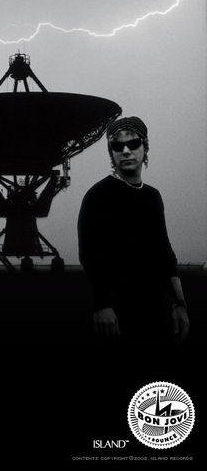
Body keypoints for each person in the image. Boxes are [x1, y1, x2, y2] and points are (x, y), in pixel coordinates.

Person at [77, 116, 189, 345]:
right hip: (114, 318)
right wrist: (102, 305)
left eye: (133, 143)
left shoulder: (153, 196)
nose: (126, 151)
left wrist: (180, 304)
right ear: (111, 153)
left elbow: (165, 254)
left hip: (154, 313)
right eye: (117, 146)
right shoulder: (97, 196)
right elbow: (90, 254)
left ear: (145, 147)